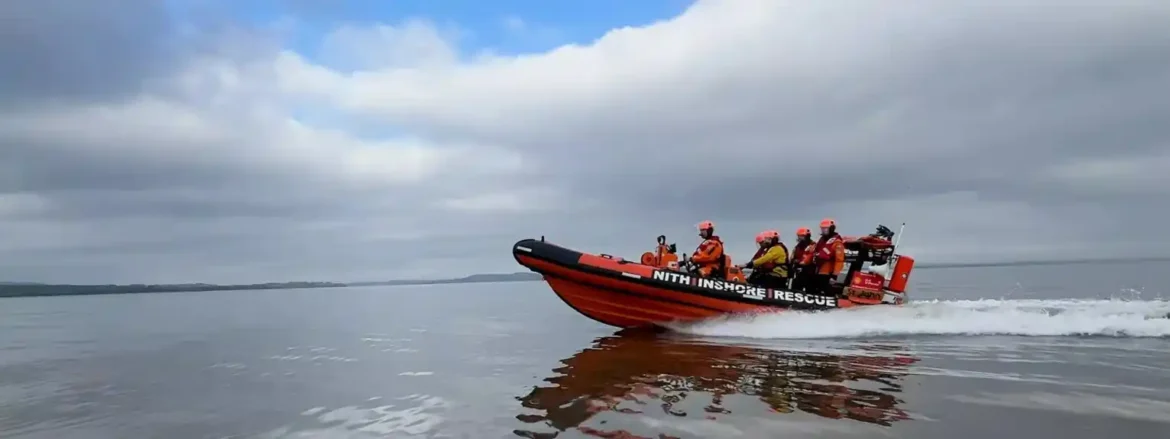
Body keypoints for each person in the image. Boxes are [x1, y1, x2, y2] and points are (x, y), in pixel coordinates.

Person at [810, 218, 846, 296]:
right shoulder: (822, 240)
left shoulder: (837, 243)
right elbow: (816, 252)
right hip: (819, 271)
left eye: (825, 228)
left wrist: (835, 275)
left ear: (831, 228)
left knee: (827, 291)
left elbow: (839, 260)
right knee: (814, 288)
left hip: (828, 273)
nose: (823, 230)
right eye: (822, 228)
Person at [790, 227, 816, 292]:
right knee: (795, 288)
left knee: (810, 290)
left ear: (807, 236)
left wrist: (799, 261)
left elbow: (809, 257)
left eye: (801, 236)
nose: (799, 238)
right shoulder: (798, 246)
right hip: (798, 271)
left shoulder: (812, 245)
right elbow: (792, 256)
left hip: (809, 271)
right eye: (799, 236)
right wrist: (793, 262)